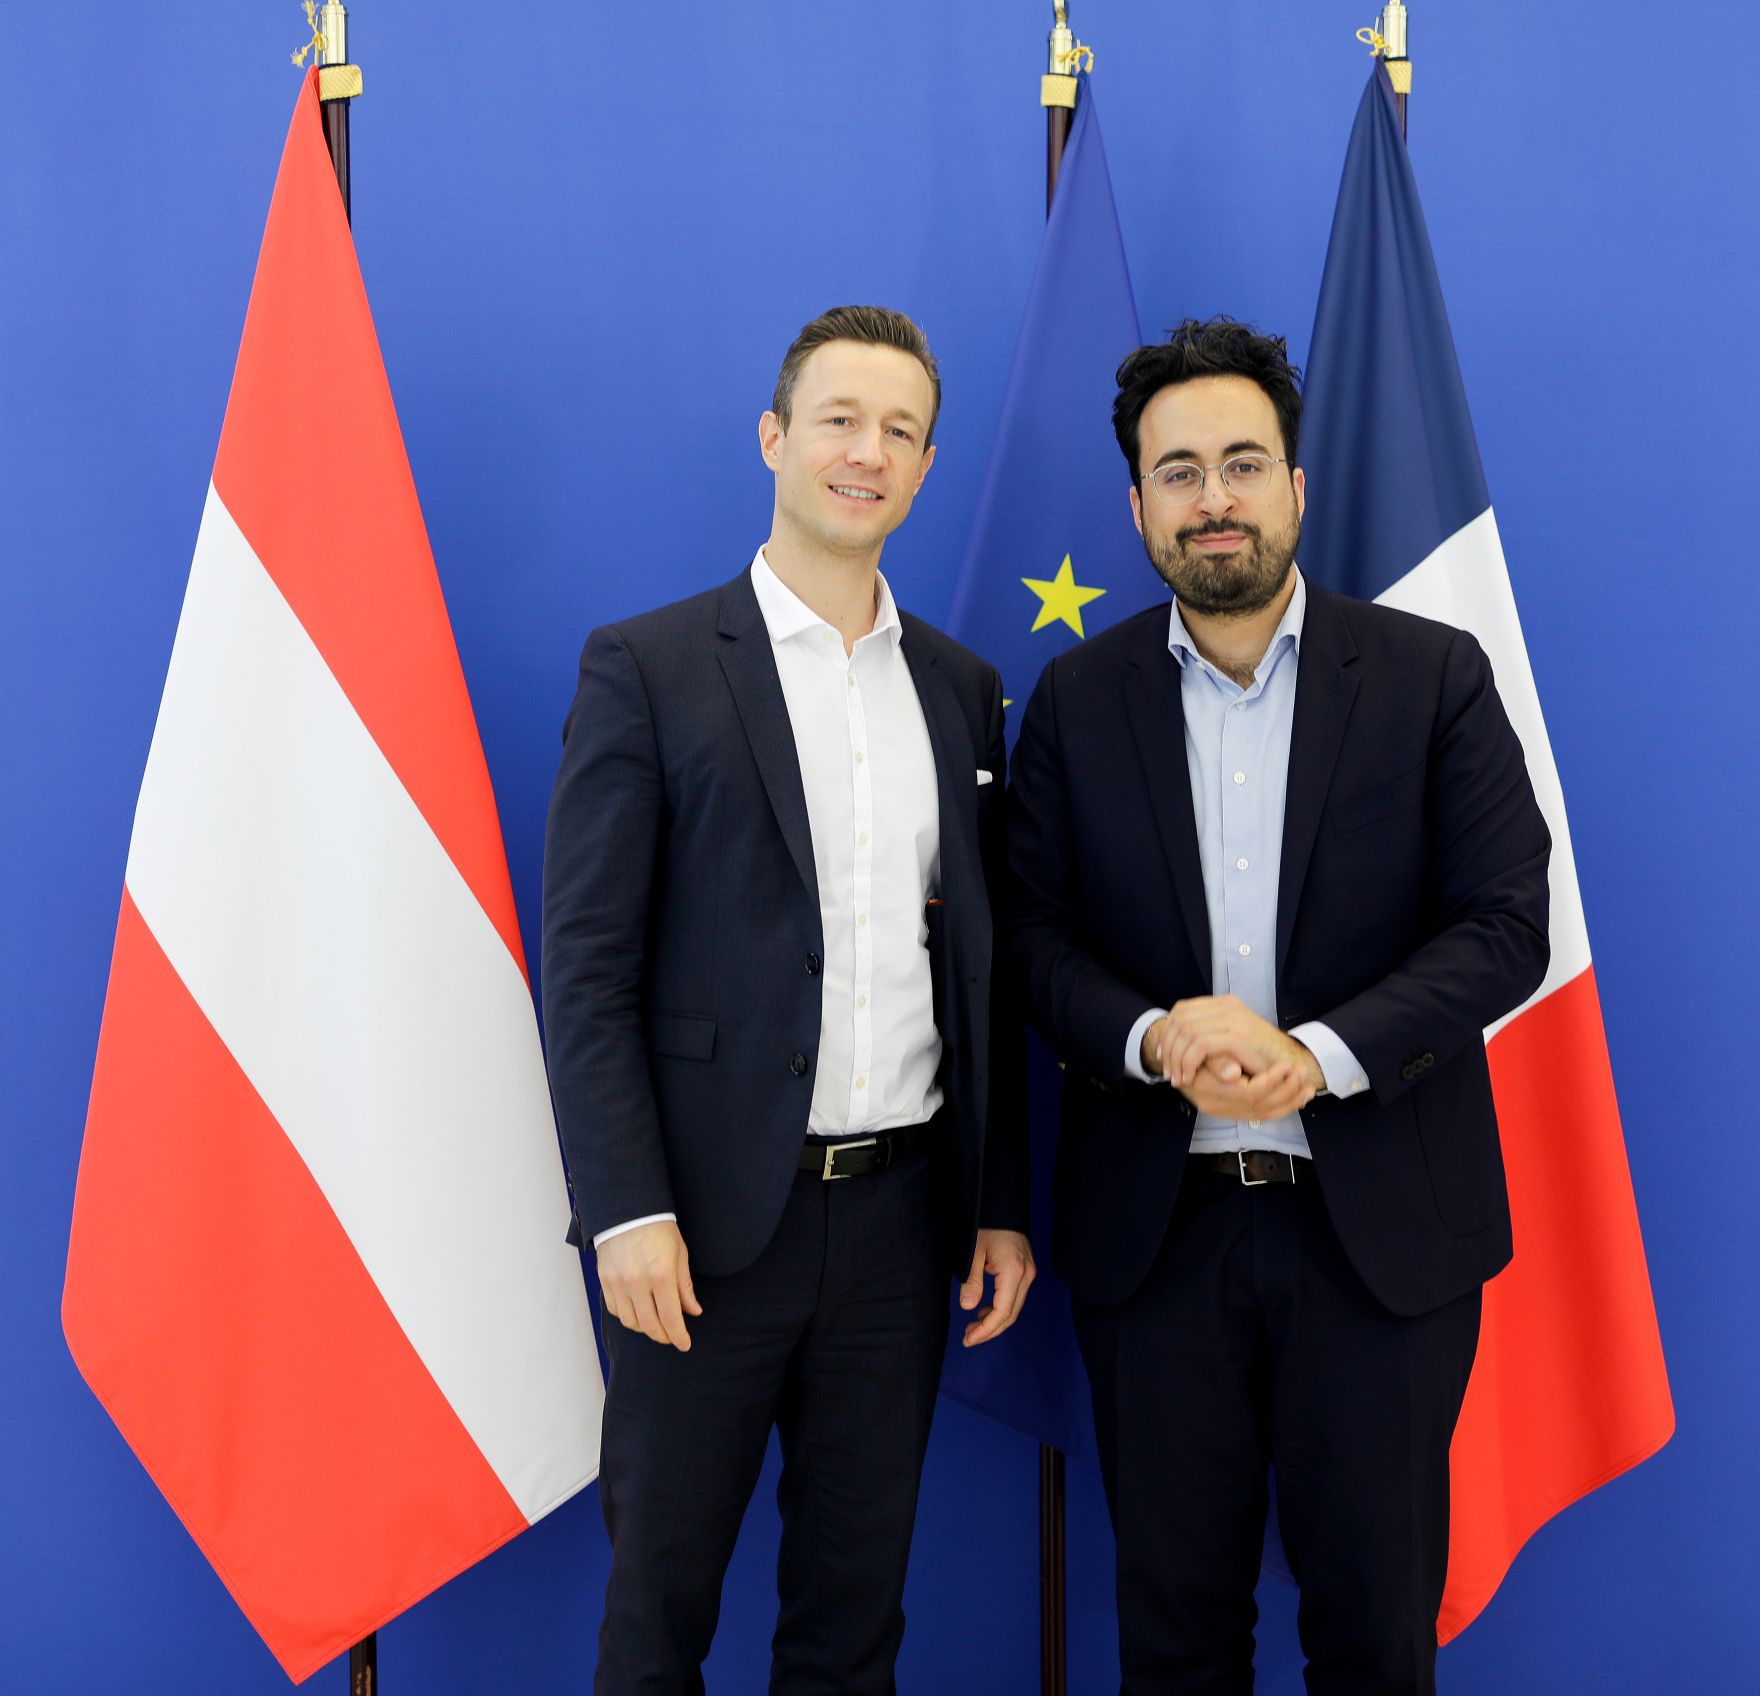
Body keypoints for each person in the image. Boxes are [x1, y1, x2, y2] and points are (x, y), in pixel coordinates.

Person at [1006, 316, 1550, 1694]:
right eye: (1178, 472)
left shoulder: (1432, 679)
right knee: (1175, 1645)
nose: (1215, 499)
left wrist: (1312, 1056)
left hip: (1378, 1242)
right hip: (1159, 1243)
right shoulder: (1076, 699)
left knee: (1373, 1639)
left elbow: (1504, 928)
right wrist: (1152, 1036)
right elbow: (1031, 937)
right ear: (1137, 507)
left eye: (1243, 463)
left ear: (1297, 487)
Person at [541, 304, 1033, 1694]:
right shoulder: (646, 667)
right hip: (699, 1231)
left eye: (899, 431)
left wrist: (997, 1198)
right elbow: (586, 967)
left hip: (898, 1224)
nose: (865, 453)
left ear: (927, 466)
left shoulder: (961, 689)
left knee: (854, 1617)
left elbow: (977, 969)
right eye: (838, 420)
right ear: (775, 438)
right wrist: (625, 1209)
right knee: (659, 1615)